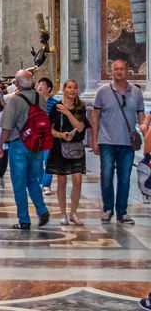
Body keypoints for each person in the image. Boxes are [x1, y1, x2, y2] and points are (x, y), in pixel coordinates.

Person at [90, 57, 146, 224]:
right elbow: (95, 116)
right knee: (106, 176)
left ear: (127, 71)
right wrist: (94, 140)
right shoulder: (103, 91)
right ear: (111, 72)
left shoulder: (136, 92)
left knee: (125, 178)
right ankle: (108, 209)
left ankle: (122, 211)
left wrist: (144, 130)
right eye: (116, 69)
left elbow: (141, 115)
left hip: (127, 143)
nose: (119, 72)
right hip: (107, 141)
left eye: (122, 69)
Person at [0, 68, 50, 230]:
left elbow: (6, 127)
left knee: (19, 183)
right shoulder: (40, 97)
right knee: (33, 180)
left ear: (18, 83)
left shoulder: (15, 100)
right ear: (32, 83)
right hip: (37, 144)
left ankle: (24, 219)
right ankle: (42, 209)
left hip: (19, 144)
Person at [45, 79, 86, 226]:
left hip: (76, 147)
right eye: (69, 87)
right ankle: (63, 214)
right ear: (64, 89)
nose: (72, 90)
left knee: (77, 180)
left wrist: (68, 113)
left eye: (75, 88)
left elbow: (80, 128)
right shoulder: (56, 106)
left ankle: (73, 212)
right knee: (61, 181)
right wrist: (61, 135)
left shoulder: (80, 107)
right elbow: (49, 129)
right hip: (59, 147)